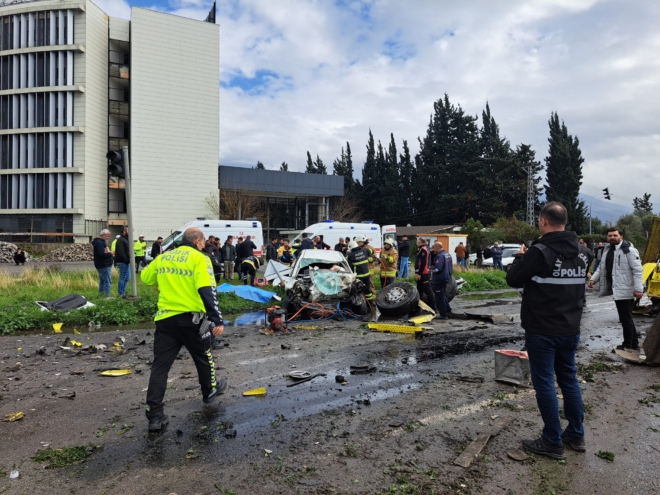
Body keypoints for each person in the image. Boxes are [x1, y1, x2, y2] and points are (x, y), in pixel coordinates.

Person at [506, 201, 591, 460]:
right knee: (569, 379)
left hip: (542, 329)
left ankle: (552, 441)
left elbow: (513, 279)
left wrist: (521, 256)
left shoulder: (539, 251)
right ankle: (576, 434)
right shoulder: (585, 253)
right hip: (571, 327)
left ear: (543, 221)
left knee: (544, 383)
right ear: (565, 220)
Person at [141, 227, 227, 431]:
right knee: (203, 356)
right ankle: (209, 391)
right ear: (197, 241)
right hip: (193, 320)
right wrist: (217, 319)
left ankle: (155, 415)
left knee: (160, 367)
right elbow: (207, 290)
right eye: (204, 241)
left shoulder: (164, 257)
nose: (204, 244)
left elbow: (145, 278)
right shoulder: (200, 258)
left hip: (166, 319)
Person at [589, 227, 644, 351]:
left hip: (626, 289)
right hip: (617, 289)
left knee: (625, 318)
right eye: (610, 236)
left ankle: (628, 345)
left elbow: (638, 270)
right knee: (626, 318)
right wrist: (593, 279)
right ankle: (633, 344)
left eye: (615, 235)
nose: (612, 238)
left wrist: (638, 289)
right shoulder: (607, 250)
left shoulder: (629, 250)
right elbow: (601, 268)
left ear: (621, 237)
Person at [431, 242, 453, 319]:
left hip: (439, 279)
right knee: (443, 294)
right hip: (446, 277)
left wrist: (429, 269)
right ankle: (448, 310)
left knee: (439, 297)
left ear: (437, 247)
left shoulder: (440, 256)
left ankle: (443, 314)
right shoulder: (447, 254)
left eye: (434, 248)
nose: (433, 249)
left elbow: (437, 268)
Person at [414, 238, 437, 312]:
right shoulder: (422, 249)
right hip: (422, 273)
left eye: (417, 242)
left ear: (420, 243)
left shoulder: (423, 250)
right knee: (419, 291)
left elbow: (423, 263)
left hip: (424, 274)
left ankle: (434, 308)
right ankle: (419, 307)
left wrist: (419, 274)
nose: (416, 243)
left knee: (428, 291)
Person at [92, 230, 113, 296]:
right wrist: (110, 253)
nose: (108, 237)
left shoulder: (99, 242)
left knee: (102, 281)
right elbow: (101, 254)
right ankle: (106, 297)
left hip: (102, 264)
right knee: (107, 282)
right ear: (103, 235)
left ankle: (101, 295)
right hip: (104, 265)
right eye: (108, 236)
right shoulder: (99, 243)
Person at [115, 227, 131, 297]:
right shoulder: (121, 240)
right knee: (123, 277)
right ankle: (121, 293)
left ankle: (123, 292)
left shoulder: (126, 239)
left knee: (127, 277)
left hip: (126, 261)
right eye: (128, 230)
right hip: (122, 262)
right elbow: (121, 252)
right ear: (124, 231)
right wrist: (126, 260)